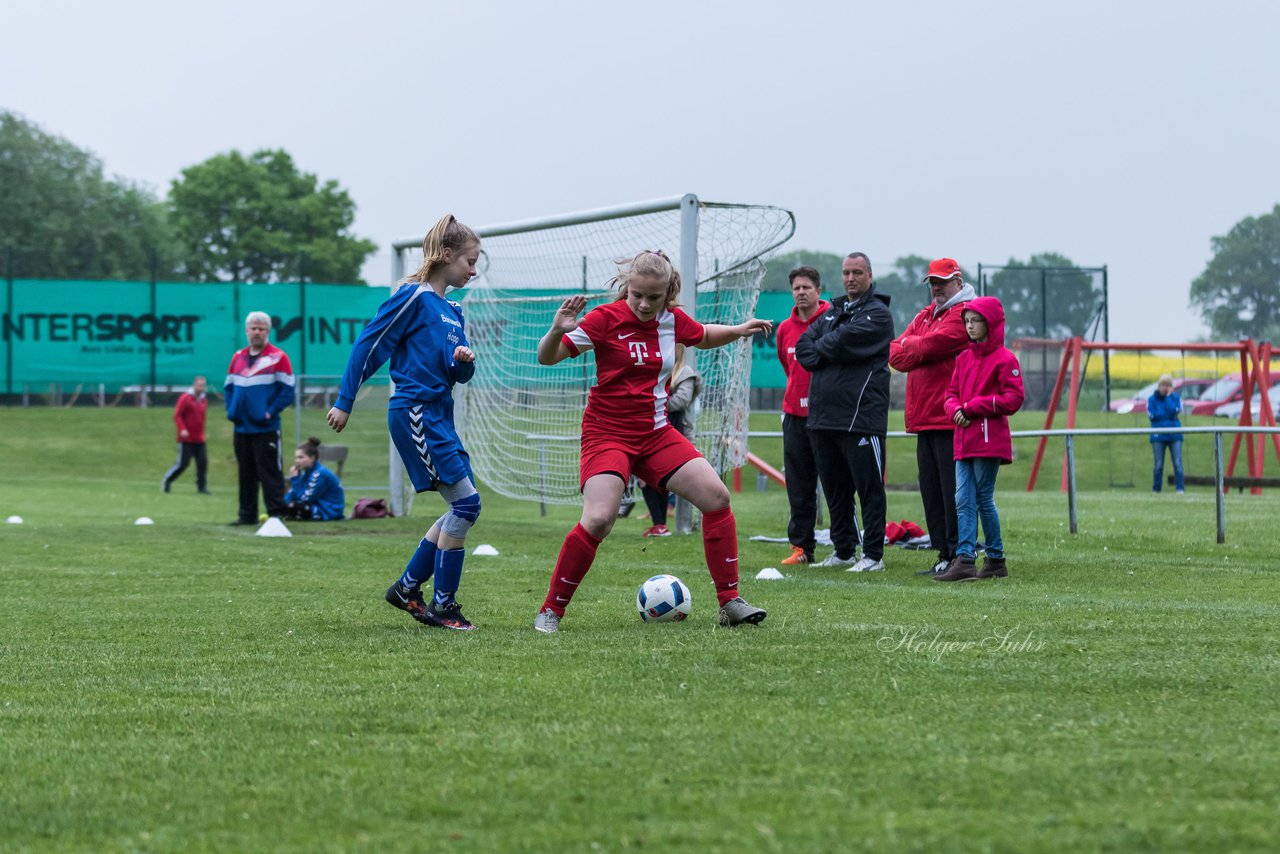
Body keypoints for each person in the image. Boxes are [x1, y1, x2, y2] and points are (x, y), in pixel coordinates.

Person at [532, 249, 772, 633]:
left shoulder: (673, 321)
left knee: (717, 498)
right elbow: (547, 357)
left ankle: (730, 604)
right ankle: (550, 611)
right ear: (627, 288)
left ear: (667, 293)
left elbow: (703, 335)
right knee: (598, 518)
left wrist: (739, 329)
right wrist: (558, 328)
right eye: (637, 295)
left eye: (653, 297)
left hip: (656, 433)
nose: (644, 304)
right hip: (607, 434)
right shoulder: (604, 319)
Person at [327, 214, 482, 631]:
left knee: (462, 506)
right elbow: (370, 343)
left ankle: (408, 588)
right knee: (466, 505)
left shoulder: (452, 310)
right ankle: (442, 605)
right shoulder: (412, 296)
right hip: (414, 411)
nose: (474, 269)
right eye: (470, 260)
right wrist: (346, 401)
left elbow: (455, 373)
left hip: (439, 414)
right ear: (446, 255)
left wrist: (462, 363)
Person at [795, 252, 894, 573]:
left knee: (869, 490)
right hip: (823, 418)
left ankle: (873, 556)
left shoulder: (878, 314)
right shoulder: (832, 312)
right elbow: (804, 349)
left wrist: (827, 347)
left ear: (868, 275)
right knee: (835, 491)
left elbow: (838, 342)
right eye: (846, 272)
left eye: (857, 272)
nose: (850, 278)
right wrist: (829, 347)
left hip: (860, 417)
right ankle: (843, 550)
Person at [888, 258, 976, 576]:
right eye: (932, 282)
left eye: (941, 281)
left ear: (957, 281)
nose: (936, 287)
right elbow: (896, 354)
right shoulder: (927, 315)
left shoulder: (965, 315)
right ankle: (943, 553)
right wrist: (915, 346)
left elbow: (931, 344)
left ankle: (960, 554)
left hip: (950, 417)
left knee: (954, 491)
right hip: (924, 417)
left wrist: (914, 346)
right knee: (931, 490)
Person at [935, 296, 1025, 582]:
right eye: (967, 321)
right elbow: (950, 394)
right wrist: (955, 410)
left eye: (975, 321)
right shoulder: (963, 358)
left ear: (992, 323)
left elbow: (1014, 398)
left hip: (988, 440)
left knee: (982, 498)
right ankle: (966, 559)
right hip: (963, 439)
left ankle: (994, 559)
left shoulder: (1006, 359)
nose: (970, 326)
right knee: (963, 497)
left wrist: (973, 407)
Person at [775, 266, 831, 565]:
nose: (801, 292)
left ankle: (845, 544)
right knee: (799, 484)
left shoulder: (831, 321)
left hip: (826, 416)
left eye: (807, 287)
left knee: (836, 484)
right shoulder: (784, 328)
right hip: (794, 415)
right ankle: (801, 548)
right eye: (796, 288)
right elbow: (789, 366)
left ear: (818, 291)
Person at [224, 312, 294, 525]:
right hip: (242, 427)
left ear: (268, 331)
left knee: (270, 473)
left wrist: (269, 412)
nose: (256, 332)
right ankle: (247, 515)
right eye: (253, 328)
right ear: (246, 331)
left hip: (266, 428)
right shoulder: (238, 357)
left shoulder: (278, 357)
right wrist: (232, 410)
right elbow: (228, 387)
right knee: (245, 474)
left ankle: (275, 515)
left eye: (261, 328)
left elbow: (287, 390)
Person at [638, 343, 702, 537]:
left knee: (671, 478)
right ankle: (659, 524)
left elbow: (681, 400)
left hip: (677, 431)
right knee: (645, 478)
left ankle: (677, 522)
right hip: (649, 429)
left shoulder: (685, 373)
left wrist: (653, 401)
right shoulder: (655, 370)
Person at [162, 375, 210, 495]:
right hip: (186, 439)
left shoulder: (204, 400)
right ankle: (168, 480)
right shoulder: (185, 398)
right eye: (199, 385)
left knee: (202, 463)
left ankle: (201, 487)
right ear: (194, 385)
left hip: (199, 439)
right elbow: (177, 415)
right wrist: (182, 429)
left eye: (203, 385)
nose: (201, 388)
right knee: (183, 464)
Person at [283, 437, 346, 521]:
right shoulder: (307, 472)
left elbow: (304, 499)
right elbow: (296, 494)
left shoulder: (319, 474)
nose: (297, 461)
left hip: (328, 512)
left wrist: (294, 479)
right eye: (296, 458)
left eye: (301, 457)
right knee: (283, 505)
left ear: (312, 458)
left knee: (293, 507)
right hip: (316, 506)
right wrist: (284, 503)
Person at [1148, 374, 1185, 493]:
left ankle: (1180, 489)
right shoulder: (1151, 400)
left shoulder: (1175, 398)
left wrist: (1168, 398)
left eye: (1168, 385)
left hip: (1175, 435)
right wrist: (1168, 415)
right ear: (1159, 386)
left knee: (1178, 463)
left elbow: (1174, 411)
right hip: (1158, 435)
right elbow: (1153, 417)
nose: (1165, 388)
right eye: (1163, 385)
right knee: (1158, 465)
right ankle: (1156, 489)